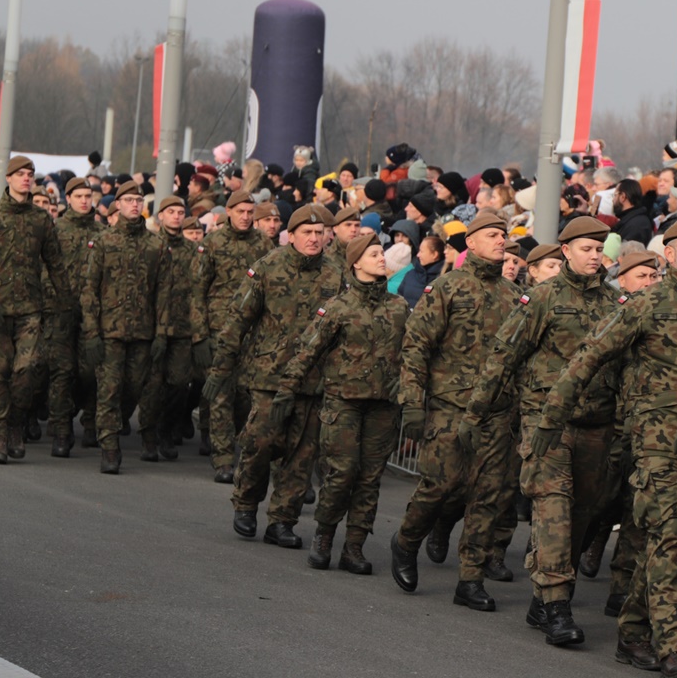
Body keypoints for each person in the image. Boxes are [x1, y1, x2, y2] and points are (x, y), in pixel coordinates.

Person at [537, 218, 677, 678]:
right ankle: (675, 648)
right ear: (668, 254)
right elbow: (589, 357)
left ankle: (632, 630)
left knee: (668, 542)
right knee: (670, 535)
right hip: (655, 443)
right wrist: (552, 416)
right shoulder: (645, 305)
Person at [466, 217, 620, 646]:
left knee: (582, 515)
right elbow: (505, 355)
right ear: (566, 251)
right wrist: (475, 412)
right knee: (554, 509)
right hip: (546, 422)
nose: (595, 256)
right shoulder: (543, 298)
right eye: (586, 249)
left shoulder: (616, 303)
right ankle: (556, 606)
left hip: (597, 423)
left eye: (599, 249)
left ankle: (543, 596)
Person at [389, 212, 520, 612]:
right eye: (493, 235)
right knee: (440, 486)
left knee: (488, 495)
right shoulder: (447, 287)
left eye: (503, 235)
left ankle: (470, 579)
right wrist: (412, 402)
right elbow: (416, 346)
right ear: (472, 243)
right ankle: (406, 541)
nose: (501, 241)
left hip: (497, 410)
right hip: (450, 405)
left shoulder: (514, 296)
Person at [205, 205, 344, 549]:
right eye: (307, 232)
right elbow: (238, 318)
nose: (314, 238)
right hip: (269, 375)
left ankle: (282, 520)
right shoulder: (268, 266)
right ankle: (246, 503)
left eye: (320, 233)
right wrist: (221, 367)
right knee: (260, 444)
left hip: (313, 380)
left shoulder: (335, 273)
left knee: (301, 454)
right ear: (291, 235)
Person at [276, 231, 408, 574]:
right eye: (374, 254)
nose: (382, 258)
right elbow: (309, 350)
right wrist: (287, 388)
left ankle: (354, 546)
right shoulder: (339, 306)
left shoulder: (398, 307)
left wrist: (410, 395)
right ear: (356, 263)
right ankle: (324, 536)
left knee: (370, 477)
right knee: (341, 473)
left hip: (382, 405)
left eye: (382, 253)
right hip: (343, 403)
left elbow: (411, 354)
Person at [80, 181, 170, 474]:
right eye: (129, 200)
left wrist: (161, 333)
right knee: (109, 389)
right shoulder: (104, 242)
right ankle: (109, 447)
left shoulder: (156, 245)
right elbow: (89, 289)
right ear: (117, 205)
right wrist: (91, 332)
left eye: (138, 200)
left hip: (143, 333)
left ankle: (115, 425)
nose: (134, 204)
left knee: (133, 388)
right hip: (109, 332)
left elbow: (164, 293)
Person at [192, 190, 273, 482]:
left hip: (253, 334)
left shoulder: (263, 243)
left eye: (250, 212)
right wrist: (199, 335)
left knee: (245, 397)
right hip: (219, 330)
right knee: (221, 395)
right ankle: (223, 459)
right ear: (228, 212)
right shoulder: (212, 243)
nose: (246, 217)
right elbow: (197, 291)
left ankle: (236, 446)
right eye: (240, 211)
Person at [0, 157, 71, 462]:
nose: (26, 178)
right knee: (0, 372)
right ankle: (2, 433)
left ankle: (16, 423)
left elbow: (55, 263)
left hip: (30, 308)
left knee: (26, 371)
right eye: (20, 174)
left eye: (30, 174)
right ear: (8, 178)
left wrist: (66, 305)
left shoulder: (41, 219)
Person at [138, 195, 199, 461]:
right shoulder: (150, 246)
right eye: (171, 211)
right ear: (160, 216)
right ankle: (149, 436)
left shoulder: (193, 251)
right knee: (152, 385)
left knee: (179, 384)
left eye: (180, 212)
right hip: (152, 328)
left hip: (182, 328)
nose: (176, 216)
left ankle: (166, 428)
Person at [46, 176, 103, 454]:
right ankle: (61, 429)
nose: (84, 201)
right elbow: (44, 268)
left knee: (90, 370)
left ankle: (89, 419)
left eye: (87, 196)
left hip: (92, 313)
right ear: (68, 199)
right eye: (78, 196)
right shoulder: (55, 230)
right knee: (61, 371)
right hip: (60, 311)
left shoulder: (102, 233)